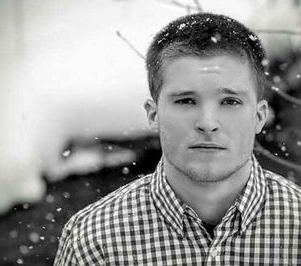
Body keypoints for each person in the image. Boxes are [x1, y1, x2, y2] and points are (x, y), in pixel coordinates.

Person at [54, 12, 301, 265]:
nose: (207, 123)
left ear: (260, 116)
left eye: (230, 101)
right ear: (153, 114)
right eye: (185, 100)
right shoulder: (93, 242)